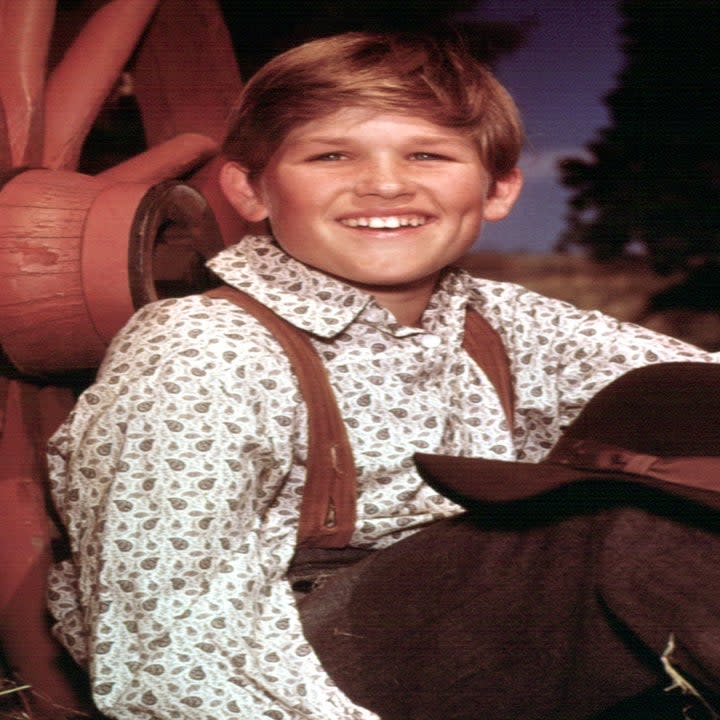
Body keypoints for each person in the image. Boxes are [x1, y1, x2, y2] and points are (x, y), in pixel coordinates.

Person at [46, 31, 720, 720]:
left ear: (498, 188)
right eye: (331, 155)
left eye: (428, 154)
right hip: (291, 665)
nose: (387, 184)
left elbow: (698, 389)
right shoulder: (197, 351)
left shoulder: (500, 321)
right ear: (249, 189)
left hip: (473, 624)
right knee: (631, 529)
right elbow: (170, 646)